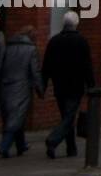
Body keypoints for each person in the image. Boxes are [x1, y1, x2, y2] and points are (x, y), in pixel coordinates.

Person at [41, 11, 95, 158]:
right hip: (75, 86)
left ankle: (71, 148)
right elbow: (87, 65)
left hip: (59, 86)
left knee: (67, 115)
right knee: (69, 117)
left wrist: (43, 85)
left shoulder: (54, 41)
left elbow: (46, 66)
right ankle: (53, 140)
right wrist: (91, 85)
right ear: (76, 24)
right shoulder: (82, 41)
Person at [0, 26, 42, 158]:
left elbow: (0, 65)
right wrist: (40, 88)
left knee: (15, 117)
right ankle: (4, 146)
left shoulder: (7, 47)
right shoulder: (31, 50)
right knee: (16, 118)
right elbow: (35, 72)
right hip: (21, 87)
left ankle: (21, 145)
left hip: (5, 85)